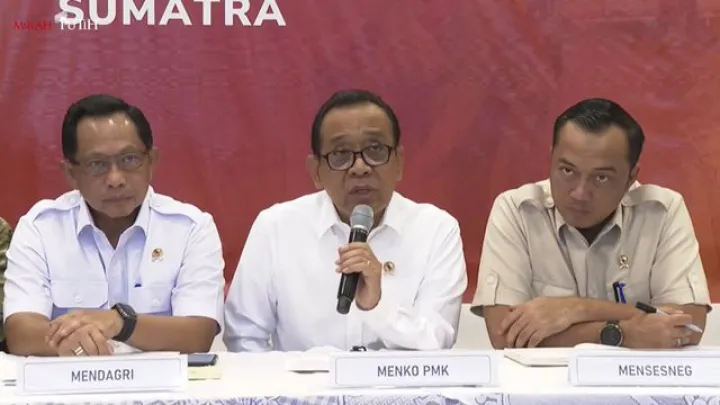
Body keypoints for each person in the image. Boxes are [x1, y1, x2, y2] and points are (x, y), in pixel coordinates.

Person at [224, 89, 468, 352]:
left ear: (399, 162)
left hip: (396, 381)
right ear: (316, 171)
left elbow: (438, 341)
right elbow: (244, 338)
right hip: (301, 380)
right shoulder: (276, 227)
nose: (360, 167)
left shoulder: (436, 229)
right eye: (340, 154)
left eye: (375, 150)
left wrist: (377, 307)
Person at [472, 98, 711, 350]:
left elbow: (689, 325)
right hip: (543, 375)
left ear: (631, 177)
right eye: (567, 171)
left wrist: (576, 308)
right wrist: (621, 333)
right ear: (551, 159)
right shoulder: (517, 210)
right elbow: (503, 334)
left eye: (601, 177)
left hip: (636, 376)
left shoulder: (662, 211)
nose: (580, 193)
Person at [2, 94, 225, 356]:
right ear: (71, 173)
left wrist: (122, 323)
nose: (115, 179)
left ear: (151, 161)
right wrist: (75, 338)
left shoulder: (191, 228)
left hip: (162, 381)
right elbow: (20, 333)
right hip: (71, 378)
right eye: (97, 164)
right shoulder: (41, 229)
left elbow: (198, 334)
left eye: (129, 159)